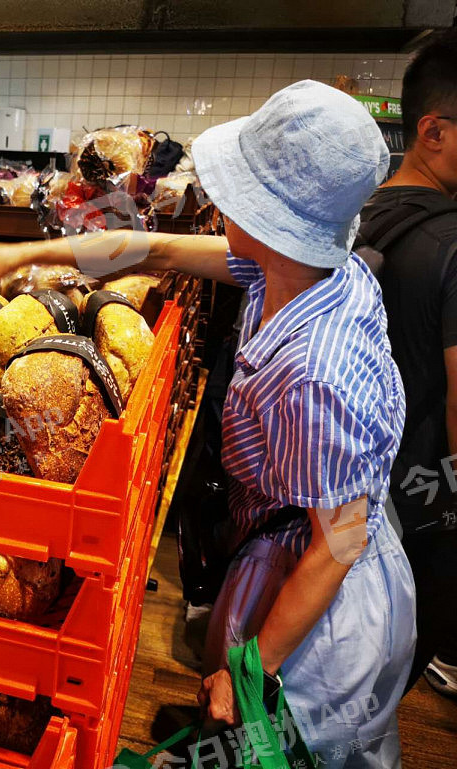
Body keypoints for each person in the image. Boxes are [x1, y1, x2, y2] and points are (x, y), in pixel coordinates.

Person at [0, 80, 415, 768]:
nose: (224, 202)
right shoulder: (297, 268)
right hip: (289, 544)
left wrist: (252, 667)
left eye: (241, 192)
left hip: (322, 600)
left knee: (290, 748)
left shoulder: (321, 369)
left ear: (275, 218)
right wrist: (21, 257)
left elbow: (338, 543)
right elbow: (153, 250)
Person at [359, 29, 457, 698]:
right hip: (419, 520)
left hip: (337, 514)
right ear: (434, 130)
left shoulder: (351, 218)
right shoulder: (452, 242)